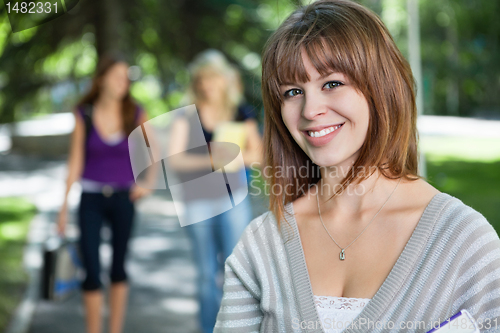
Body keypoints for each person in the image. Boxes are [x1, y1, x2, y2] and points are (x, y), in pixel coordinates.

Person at [214, 1, 500, 332]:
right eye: (293, 92)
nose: (310, 110)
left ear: (381, 87)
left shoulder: (464, 243)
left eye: (332, 83)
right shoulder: (263, 244)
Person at [167, 49, 262, 333]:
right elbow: (174, 160)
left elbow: (256, 155)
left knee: (236, 272)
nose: (207, 85)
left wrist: (231, 158)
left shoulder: (241, 112)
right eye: (202, 79)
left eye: (213, 78)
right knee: (206, 275)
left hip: (232, 199)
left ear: (224, 80)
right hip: (197, 203)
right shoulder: (186, 115)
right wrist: (211, 158)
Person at [57, 54, 151, 333]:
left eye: (126, 77)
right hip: (91, 199)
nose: (123, 82)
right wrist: (63, 209)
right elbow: (74, 161)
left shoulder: (135, 112)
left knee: (119, 269)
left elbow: (149, 151)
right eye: (116, 76)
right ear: (101, 79)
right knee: (91, 273)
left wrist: (146, 181)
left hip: (124, 198)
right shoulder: (83, 113)